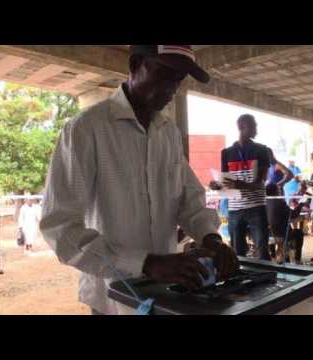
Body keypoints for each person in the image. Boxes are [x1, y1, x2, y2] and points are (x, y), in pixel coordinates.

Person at [40, 45, 238, 315]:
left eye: (179, 79)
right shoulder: (86, 129)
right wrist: (147, 263)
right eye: (165, 73)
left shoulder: (168, 133)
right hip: (111, 296)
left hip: (165, 295)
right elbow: (60, 228)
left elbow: (189, 200)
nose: (172, 88)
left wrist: (210, 237)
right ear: (134, 64)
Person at [211, 114, 271, 260]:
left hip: (256, 207)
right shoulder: (226, 153)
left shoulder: (262, 150)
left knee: (262, 252)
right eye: (253, 125)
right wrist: (217, 186)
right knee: (237, 255)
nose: (256, 129)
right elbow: (227, 183)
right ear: (241, 127)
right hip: (234, 210)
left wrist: (238, 184)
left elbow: (260, 183)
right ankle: (243, 281)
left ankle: (266, 281)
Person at [265, 183, 303, 264]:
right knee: (299, 233)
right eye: (278, 190)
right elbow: (293, 215)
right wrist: (301, 205)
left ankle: (273, 254)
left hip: (267, 235)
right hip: (282, 235)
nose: (280, 191)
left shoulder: (264, 202)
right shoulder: (280, 202)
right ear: (276, 192)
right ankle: (297, 260)